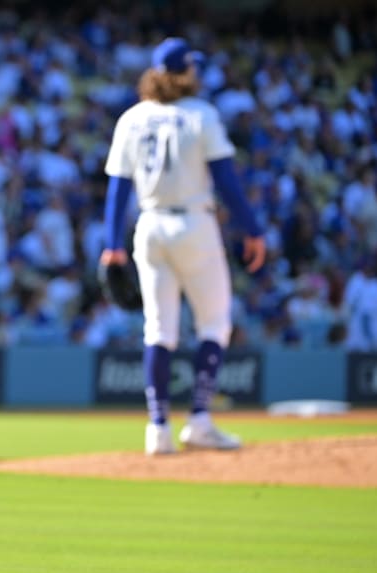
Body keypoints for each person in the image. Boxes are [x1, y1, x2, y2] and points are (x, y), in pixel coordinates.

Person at [98, 37, 266, 456]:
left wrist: (111, 244)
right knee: (214, 324)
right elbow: (226, 180)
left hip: (150, 226)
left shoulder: (132, 118)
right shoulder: (201, 114)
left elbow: (118, 189)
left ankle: (157, 429)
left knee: (158, 329)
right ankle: (200, 420)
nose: (198, 74)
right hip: (195, 224)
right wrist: (253, 230)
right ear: (183, 72)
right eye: (194, 68)